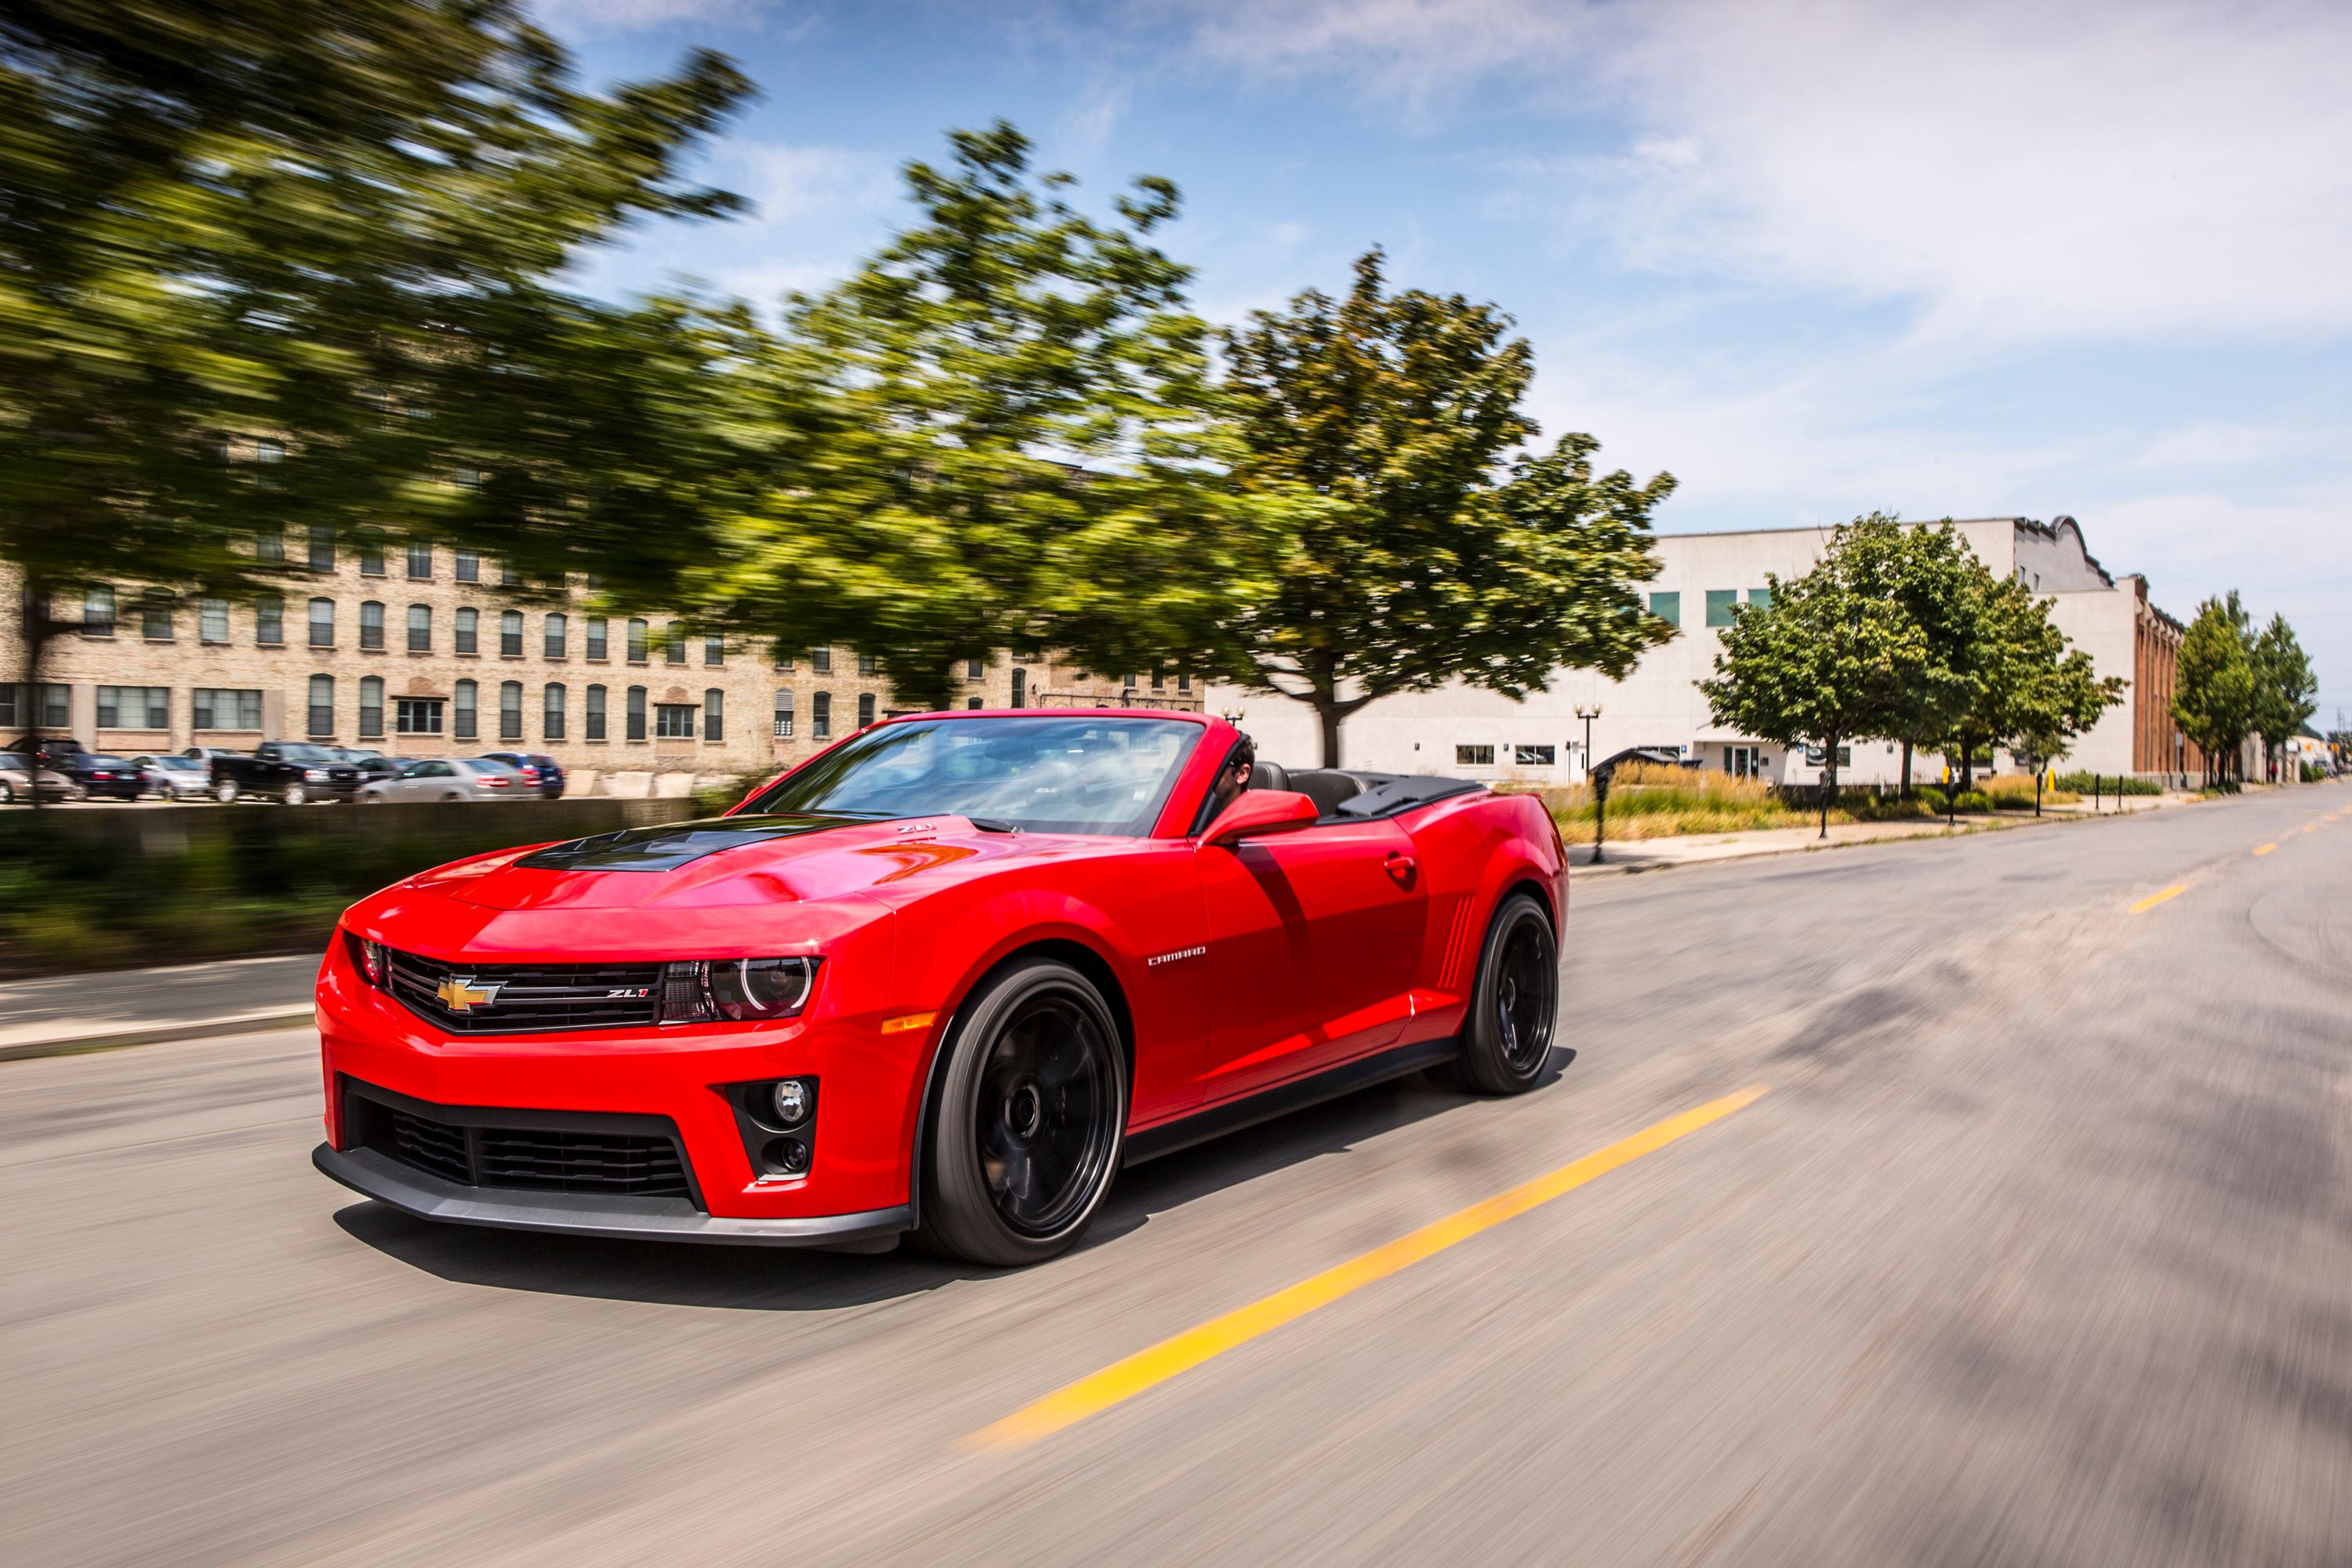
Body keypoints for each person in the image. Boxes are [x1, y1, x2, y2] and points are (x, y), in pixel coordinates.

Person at [1206, 732, 1256, 819]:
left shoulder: (1252, 823)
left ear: (1242, 773)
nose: (1206, 771)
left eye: (1215, 764)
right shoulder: (1197, 815)